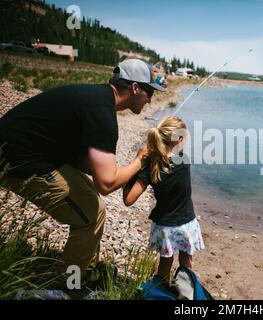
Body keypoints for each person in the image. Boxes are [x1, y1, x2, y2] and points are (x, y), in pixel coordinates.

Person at [0, 58, 166, 280]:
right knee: (90, 213)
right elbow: (106, 184)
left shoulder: (96, 98)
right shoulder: (102, 113)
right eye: (149, 92)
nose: (151, 99)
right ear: (135, 88)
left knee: (89, 197)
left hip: (37, 152)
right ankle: (71, 283)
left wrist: (121, 170)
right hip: (18, 159)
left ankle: (85, 268)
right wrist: (141, 160)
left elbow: (81, 159)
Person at [123, 115, 204, 281]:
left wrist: (138, 161)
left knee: (165, 264)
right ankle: (186, 293)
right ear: (179, 139)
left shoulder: (151, 166)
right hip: (186, 223)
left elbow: (128, 200)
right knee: (186, 264)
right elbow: (172, 155)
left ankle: (161, 292)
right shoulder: (184, 160)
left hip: (164, 226)